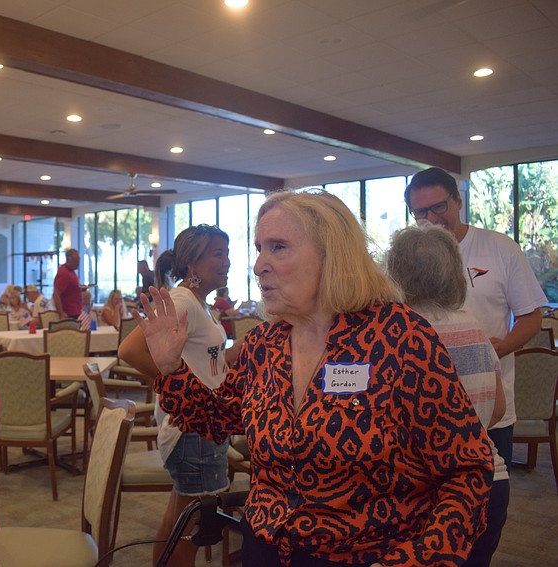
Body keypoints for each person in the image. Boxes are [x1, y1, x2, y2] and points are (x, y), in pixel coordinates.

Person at [133, 190, 493, 567]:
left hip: (370, 554)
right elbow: (217, 417)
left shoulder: (400, 338)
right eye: (259, 248)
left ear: (331, 254)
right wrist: (171, 368)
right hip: (267, 547)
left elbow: (468, 472)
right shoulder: (265, 345)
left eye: (278, 247)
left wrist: (418, 559)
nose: (258, 265)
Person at [405, 166, 547, 466]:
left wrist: (499, 349)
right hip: (424, 411)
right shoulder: (409, 258)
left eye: (439, 207)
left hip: (489, 405)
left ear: (458, 201)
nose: (431, 219)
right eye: (420, 212)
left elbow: (531, 316)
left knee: (490, 494)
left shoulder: (500, 248)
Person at [387, 224, 508, 567]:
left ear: (395, 272)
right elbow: (497, 409)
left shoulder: (398, 331)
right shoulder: (472, 324)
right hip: (490, 481)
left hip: (425, 494)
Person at [119, 224, 240, 567]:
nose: (227, 262)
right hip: (193, 430)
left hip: (199, 427)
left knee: (180, 520)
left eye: (227, 253)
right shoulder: (184, 299)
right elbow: (128, 350)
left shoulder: (196, 301)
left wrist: (235, 353)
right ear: (193, 265)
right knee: (193, 526)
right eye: (218, 254)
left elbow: (202, 361)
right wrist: (174, 384)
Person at [52, 248, 83, 318]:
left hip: (75, 311)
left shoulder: (71, 271)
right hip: (70, 314)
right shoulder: (65, 273)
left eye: (78, 261)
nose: (78, 264)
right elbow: (56, 294)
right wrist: (61, 313)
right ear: (69, 259)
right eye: (76, 261)